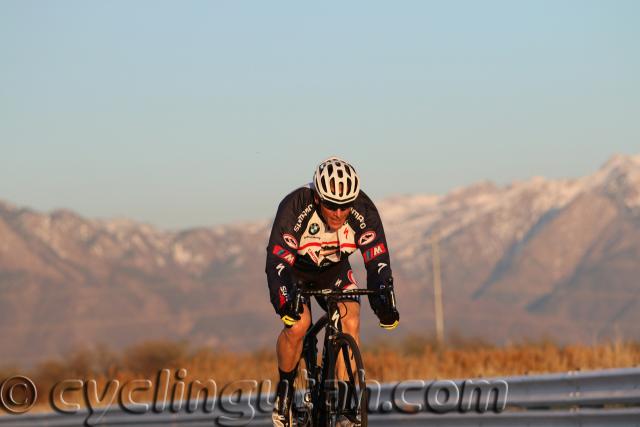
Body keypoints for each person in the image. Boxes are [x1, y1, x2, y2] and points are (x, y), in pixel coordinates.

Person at [265, 156, 400, 427]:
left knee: (350, 316)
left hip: (335, 271)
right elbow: (277, 262)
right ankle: (286, 393)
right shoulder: (295, 206)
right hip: (296, 273)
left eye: (345, 206)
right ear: (317, 198)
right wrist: (284, 302)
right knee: (298, 326)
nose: (339, 213)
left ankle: (347, 406)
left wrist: (384, 302)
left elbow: (378, 261)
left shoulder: (364, 210)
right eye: (331, 205)